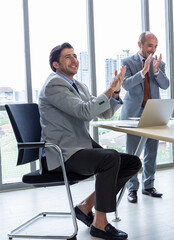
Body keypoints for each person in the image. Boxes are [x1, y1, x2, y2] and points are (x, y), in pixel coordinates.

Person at [38, 42, 142, 240]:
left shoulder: (79, 86)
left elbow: (105, 113)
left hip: (79, 148)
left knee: (132, 162)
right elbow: (84, 112)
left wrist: (116, 92)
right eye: (68, 56)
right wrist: (108, 90)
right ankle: (100, 224)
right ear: (56, 65)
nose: (74, 60)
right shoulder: (54, 85)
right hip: (63, 153)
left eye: (75, 55)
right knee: (110, 158)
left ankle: (86, 206)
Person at [120, 31, 170, 203]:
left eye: (155, 46)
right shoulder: (127, 62)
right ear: (140, 44)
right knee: (132, 154)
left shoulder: (159, 63)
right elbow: (125, 84)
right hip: (133, 113)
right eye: (150, 45)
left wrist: (156, 71)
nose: (153, 49)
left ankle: (148, 186)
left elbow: (165, 85)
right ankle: (132, 188)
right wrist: (143, 72)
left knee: (151, 151)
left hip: (153, 112)